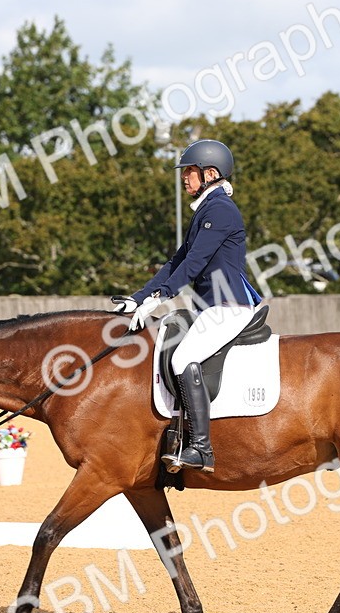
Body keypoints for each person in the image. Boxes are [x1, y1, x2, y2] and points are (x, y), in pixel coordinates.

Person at [110, 139, 262, 473]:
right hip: (209, 306)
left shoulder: (220, 209)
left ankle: (201, 448)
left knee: (183, 358)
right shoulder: (207, 209)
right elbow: (177, 260)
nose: (184, 178)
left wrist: (159, 297)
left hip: (228, 304)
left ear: (210, 173)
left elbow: (194, 262)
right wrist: (139, 296)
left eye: (189, 172)